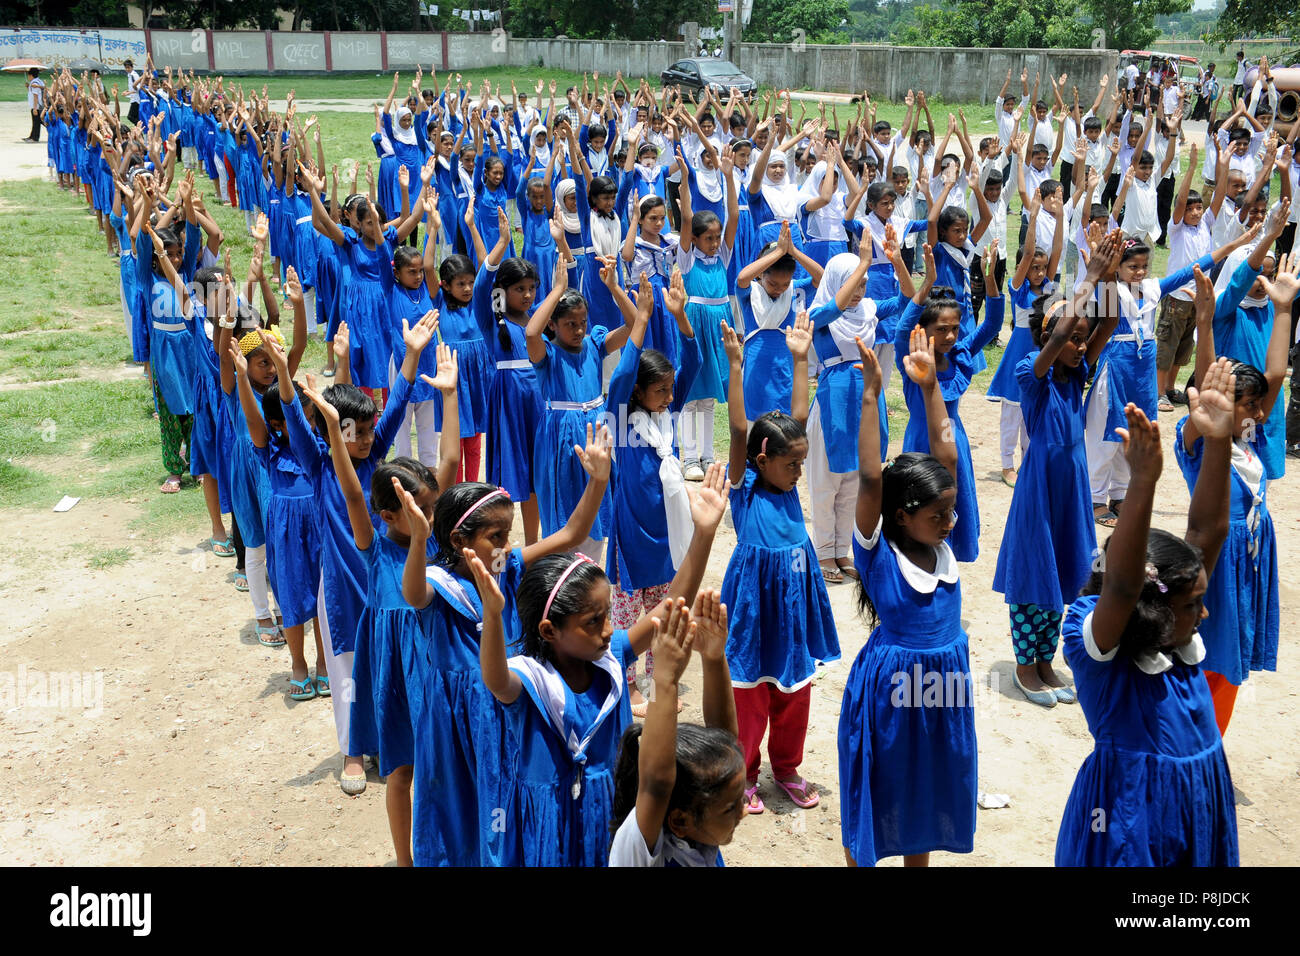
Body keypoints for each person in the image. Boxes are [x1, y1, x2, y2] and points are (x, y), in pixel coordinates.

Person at [471, 464, 730, 867]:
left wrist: (704, 533)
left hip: (611, 816)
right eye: (593, 621)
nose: (610, 629)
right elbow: (495, 677)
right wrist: (492, 616)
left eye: (608, 614)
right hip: (552, 828)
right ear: (549, 630)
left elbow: (667, 607)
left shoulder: (610, 659)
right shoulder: (530, 679)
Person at [1056, 362, 1240, 867]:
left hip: (1198, 801)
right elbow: (1121, 583)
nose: (1202, 614)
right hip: (1130, 815)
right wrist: (1142, 479)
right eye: (1190, 606)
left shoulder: (1174, 638)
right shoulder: (1099, 642)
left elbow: (1206, 533)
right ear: (1150, 605)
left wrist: (1219, 441)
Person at [839, 326, 975, 867]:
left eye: (950, 511)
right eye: (936, 515)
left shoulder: (943, 540)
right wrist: (872, 395)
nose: (948, 522)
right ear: (901, 515)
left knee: (926, 793)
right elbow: (871, 478)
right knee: (882, 787)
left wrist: (931, 386)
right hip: (891, 691)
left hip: (945, 689)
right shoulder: (879, 553)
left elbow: (949, 457)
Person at [993, 232, 1122, 707]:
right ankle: (1025, 668)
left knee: (1062, 570)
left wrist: (1107, 276)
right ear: (1047, 338)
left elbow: (1106, 322)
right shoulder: (1034, 371)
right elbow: (1065, 332)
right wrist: (1086, 278)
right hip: (1039, 490)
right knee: (1034, 572)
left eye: (1082, 340)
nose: (1079, 344)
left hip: (1070, 486)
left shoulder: (1076, 373)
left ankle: (1046, 663)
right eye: (1070, 338)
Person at [720, 315, 839, 814]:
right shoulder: (745, 490)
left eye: (800, 464)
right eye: (790, 465)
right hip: (752, 606)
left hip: (792, 604)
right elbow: (738, 426)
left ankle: (786, 767)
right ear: (760, 460)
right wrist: (735, 365)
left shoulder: (787, 487)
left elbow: (795, 415)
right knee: (749, 694)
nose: (797, 473)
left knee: (794, 690)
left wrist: (798, 359)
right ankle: (745, 773)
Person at [1180, 260, 1294, 734]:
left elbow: (1275, 374)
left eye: (1253, 405)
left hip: (1248, 561)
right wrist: (1205, 324)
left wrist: (1284, 309)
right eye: (1248, 405)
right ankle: (1193, 736)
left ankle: (1213, 738)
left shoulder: (1248, 441)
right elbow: (1210, 392)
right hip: (1217, 562)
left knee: (1232, 659)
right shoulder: (1203, 444)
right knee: (1208, 652)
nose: (1256, 413)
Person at [608, 592, 746, 866]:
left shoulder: (699, 835)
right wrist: (664, 679)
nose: (742, 813)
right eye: (731, 807)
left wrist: (714, 657)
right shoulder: (641, 849)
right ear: (680, 820)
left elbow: (727, 744)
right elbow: (656, 782)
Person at [24, 67, 45, 143]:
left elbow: (35, 96)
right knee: (37, 121)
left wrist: (35, 108)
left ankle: (35, 138)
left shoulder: (34, 83)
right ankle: (32, 136)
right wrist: (28, 87)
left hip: (36, 106)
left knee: (37, 122)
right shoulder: (39, 81)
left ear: (31, 75)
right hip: (40, 105)